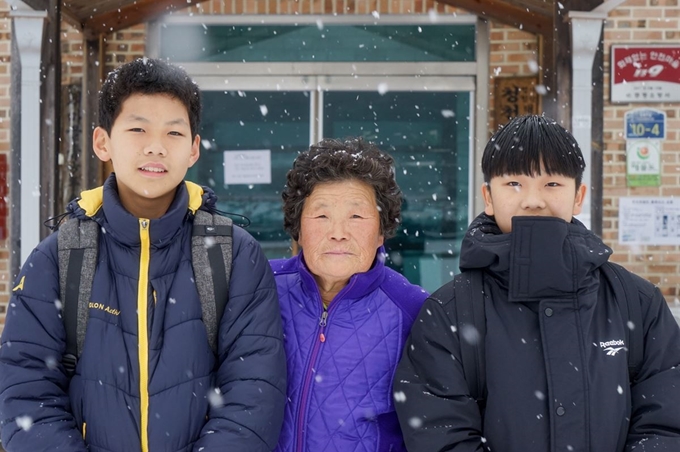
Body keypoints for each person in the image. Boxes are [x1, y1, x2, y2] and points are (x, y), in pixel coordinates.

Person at [0, 58, 286, 452]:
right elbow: (25, 390)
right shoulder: (62, 257)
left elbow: (253, 393)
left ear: (193, 149)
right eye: (137, 129)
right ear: (103, 142)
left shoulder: (232, 255)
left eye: (173, 132)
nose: (155, 146)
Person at [393, 114, 680, 451]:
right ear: (488, 195)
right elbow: (441, 436)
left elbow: (665, 426)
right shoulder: (449, 313)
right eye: (514, 183)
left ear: (578, 196)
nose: (533, 200)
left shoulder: (636, 301)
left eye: (552, 184)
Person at [270, 138, 428, 452]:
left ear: (382, 230)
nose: (338, 232)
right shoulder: (258, 288)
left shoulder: (414, 309)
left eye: (356, 217)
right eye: (321, 216)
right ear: (298, 228)